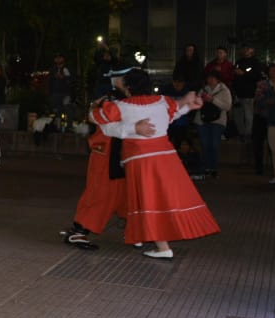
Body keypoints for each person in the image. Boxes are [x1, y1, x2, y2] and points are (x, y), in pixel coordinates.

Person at [92, 68, 220, 260]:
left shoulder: (121, 105)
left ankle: (161, 246)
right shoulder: (161, 101)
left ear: (128, 87)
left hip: (142, 161)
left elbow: (96, 118)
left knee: (149, 200)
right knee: (163, 199)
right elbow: (172, 113)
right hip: (167, 159)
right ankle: (144, 237)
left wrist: (127, 125)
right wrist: (188, 104)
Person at [61, 66, 136, 250]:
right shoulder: (115, 100)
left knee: (121, 193)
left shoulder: (111, 99)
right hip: (109, 154)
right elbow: (98, 119)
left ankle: (136, 230)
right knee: (103, 192)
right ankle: (80, 230)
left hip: (111, 153)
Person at [194, 70, 233, 178]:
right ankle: (206, 168)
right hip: (202, 121)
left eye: (213, 78)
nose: (210, 80)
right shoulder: (203, 90)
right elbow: (195, 104)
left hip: (218, 121)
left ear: (218, 79)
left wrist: (213, 100)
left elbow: (227, 106)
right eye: (209, 78)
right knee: (205, 144)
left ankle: (213, 168)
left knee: (214, 145)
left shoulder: (224, 90)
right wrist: (202, 101)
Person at [232, 44, 262, 143]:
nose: (245, 50)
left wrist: (244, 73)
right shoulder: (239, 61)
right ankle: (241, 133)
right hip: (238, 93)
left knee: (249, 115)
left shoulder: (255, 62)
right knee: (238, 115)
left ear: (252, 50)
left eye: (247, 48)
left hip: (249, 93)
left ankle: (248, 134)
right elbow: (234, 77)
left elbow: (256, 76)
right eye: (244, 48)